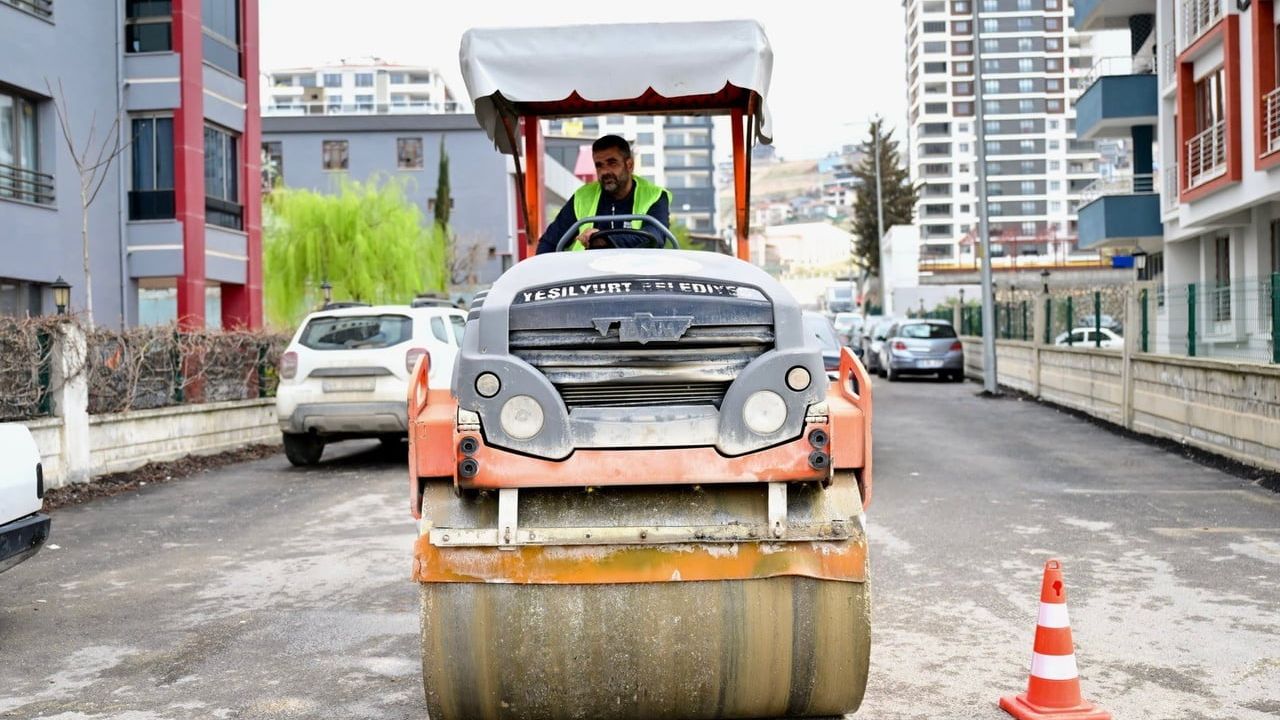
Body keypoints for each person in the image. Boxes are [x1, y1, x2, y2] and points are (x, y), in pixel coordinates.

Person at [536, 134, 672, 254]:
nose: (605, 171)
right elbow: (550, 242)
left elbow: (655, 237)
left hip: (636, 277)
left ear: (629, 165)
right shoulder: (582, 196)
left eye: (612, 163)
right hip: (588, 276)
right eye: (599, 165)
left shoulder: (654, 196)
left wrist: (604, 239)